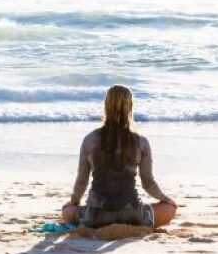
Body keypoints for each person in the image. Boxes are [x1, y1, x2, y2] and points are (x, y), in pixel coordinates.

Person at [62, 85, 177, 228]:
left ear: (106, 106)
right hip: (132, 214)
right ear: (130, 107)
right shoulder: (141, 142)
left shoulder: (90, 140)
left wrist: (73, 202)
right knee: (170, 209)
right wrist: (165, 199)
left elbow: (82, 180)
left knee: (66, 211)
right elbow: (148, 183)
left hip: (96, 216)